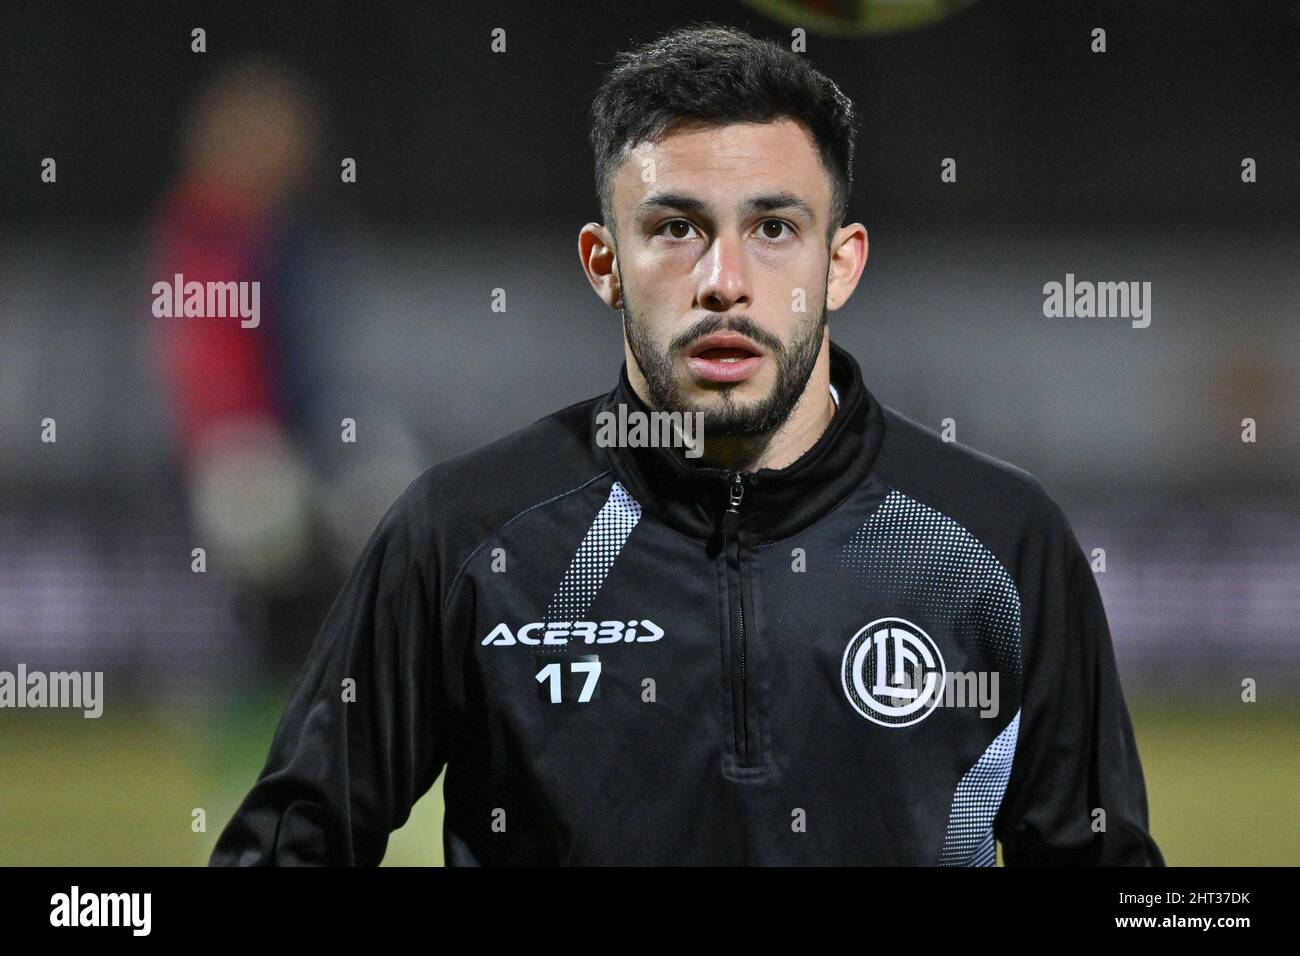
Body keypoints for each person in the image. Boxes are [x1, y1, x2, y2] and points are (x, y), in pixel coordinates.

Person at [211, 23, 1163, 866]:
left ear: (841, 263)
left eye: (775, 228)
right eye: (674, 229)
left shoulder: (1001, 541)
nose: (724, 281)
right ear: (604, 264)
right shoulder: (464, 537)